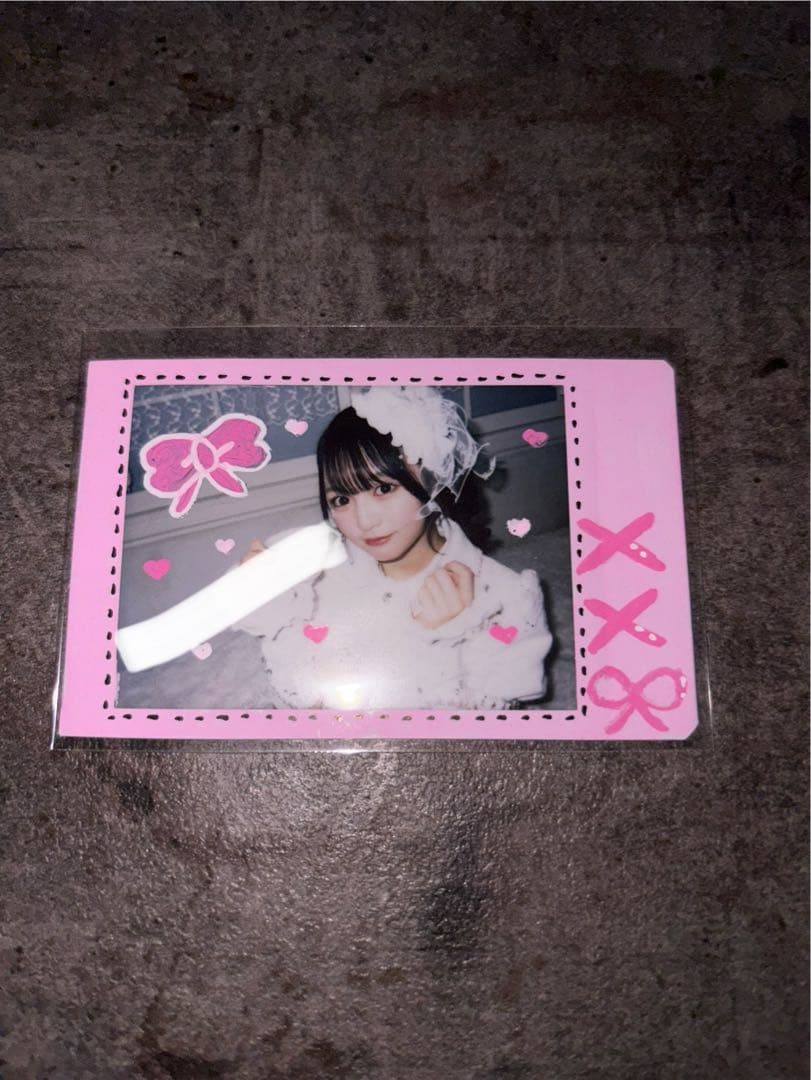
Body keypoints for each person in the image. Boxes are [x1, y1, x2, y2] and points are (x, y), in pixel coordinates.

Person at [232, 387, 553, 710]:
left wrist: (448, 639)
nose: (364, 521)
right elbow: (297, 700)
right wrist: (270, 607)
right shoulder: (317, 573)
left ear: (433, 480)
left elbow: (488, 725)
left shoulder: (506, 598)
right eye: (341, 499)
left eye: (384, 489)